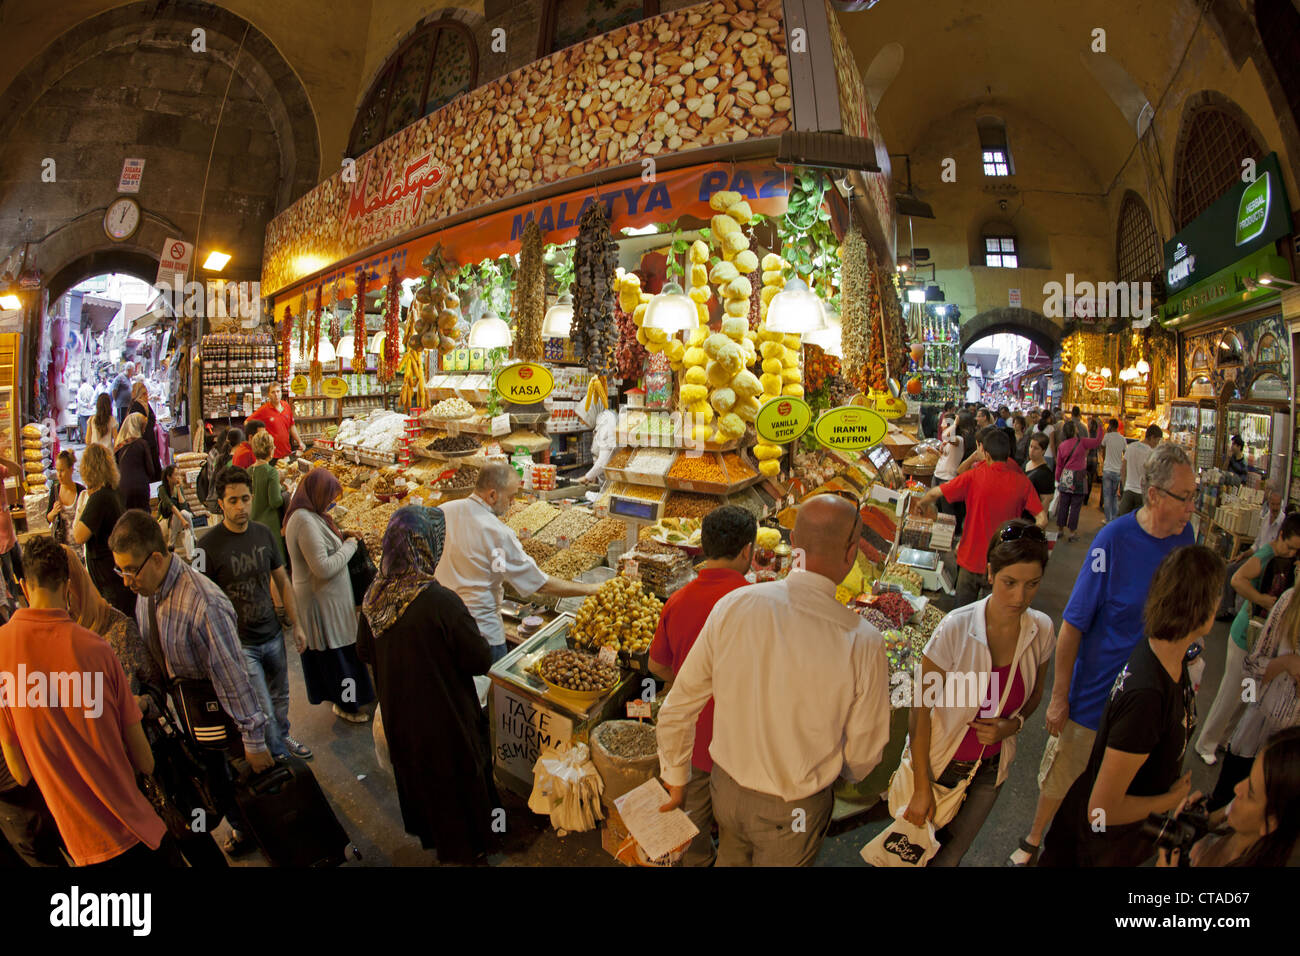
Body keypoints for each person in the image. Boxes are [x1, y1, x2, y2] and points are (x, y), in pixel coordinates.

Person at [655, 495, 890, 866]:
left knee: (731, 856)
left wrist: (675, 776)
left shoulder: (736, 605)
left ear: (793, 543)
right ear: (851, 554)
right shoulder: (864, 642)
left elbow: (679, 704)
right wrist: (837, 774)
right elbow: (865, 752)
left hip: (726, 794)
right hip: (792, 811)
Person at [1010, 441, 1197, 865]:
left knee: (1124, 784)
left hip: (1149, 700)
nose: (1191, 507)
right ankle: (1036, 837)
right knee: (1068, 773)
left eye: (1194, 496)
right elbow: (1074, 623)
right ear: (1154, 495)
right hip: (1096, 693)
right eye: (1185, 497)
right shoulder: (1113, 540)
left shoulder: (1185, 538)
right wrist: (1060, 695)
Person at [0, 535, 180, 867]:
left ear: (24, 586)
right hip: (134, 829)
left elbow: (20, 773)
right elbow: (145, 761)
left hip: (81, 844)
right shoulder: (97, 650)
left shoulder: (2, 650)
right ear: (68, 586)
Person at [1040, 545, 1223, 867]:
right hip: (1094, 851)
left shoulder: (1168, 657)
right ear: (1200, 604)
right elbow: (1102, 809)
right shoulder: (1148, 696)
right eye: (1217, 594)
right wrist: (1170, 799)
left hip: (1116, 842)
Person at [108, 509, 274, 857]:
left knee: (246, 789)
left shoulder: (203, 603)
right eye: (119, 570)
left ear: (155, 558)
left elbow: (233, 677)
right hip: (192, 722)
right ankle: (244, 828)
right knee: (218, 787)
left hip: (224, 725)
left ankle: (267, 837)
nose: (125, 580)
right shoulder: (145, 592)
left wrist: (254, 740)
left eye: (129, 570)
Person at [902, 520, 1056, 866]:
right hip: (940, 765)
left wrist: (1012, 726)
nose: (1020, 597)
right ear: (990, 573)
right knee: (912, 853)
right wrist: (921, 784)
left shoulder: (1042, 630)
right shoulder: (955, 627)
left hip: (989, 772)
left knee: (951, 855)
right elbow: (920, 708)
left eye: (1032, 585)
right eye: (1009, 583)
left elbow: (1034, 696)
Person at [355, 506, 499, 865]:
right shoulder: (439, 601)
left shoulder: (375, 595)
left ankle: (440, 844)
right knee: (455, 788)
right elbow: (480, 659)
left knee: (423, 786)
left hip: (400, 717)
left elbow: (364, 651)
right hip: (445, 719)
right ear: (426, 546)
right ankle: (468, 852)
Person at [648, 505, 755, 867]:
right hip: (738, 746)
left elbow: (656, 664)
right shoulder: (758, 603)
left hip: (689, 743)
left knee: (689, 827)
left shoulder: (677, 601)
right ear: (747, 551)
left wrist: (687, 681)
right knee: (737, 834)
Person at [435, 463, 599, 662]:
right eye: (511, 496)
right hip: (481, 634)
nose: (513, 503)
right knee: (487, 689)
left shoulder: (443, 511)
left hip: (441, 627)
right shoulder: (498, 533)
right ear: (493, 495)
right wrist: (591, 589)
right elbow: (541, 585)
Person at [201, 466, 310, 760]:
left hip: (272, 633)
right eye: (233, 500)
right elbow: (200, 600)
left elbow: (282, 581)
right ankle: (279, 761)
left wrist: (296, 625)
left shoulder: (264, 534)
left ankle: (283, 738)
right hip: (241, 643)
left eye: (245, 499)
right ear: (221, 503)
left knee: (280, 698)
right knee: (262, 706)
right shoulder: (207, 546)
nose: (241, 507)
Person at [1196, 514, 1300, 766]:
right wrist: (1262, 599)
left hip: (1260, 643)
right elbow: (1235, 580)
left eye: (1297, 549)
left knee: (1246, 696)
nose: (1292, 552)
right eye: (1290, 546)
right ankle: (1206, 742)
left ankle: (1225, 737)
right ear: (1280, 536)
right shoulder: (1265, 556)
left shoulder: (1285, 560)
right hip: (1245, 637)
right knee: (1230, 694)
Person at [916, 428, 1047, 608]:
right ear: (1008, 452)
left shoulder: (974, 476)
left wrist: (921, 504)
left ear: (985, 452)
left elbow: (936, 493)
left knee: (962, 613)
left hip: (970, 560)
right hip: (1002, 564)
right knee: (993, 614)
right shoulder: (1022, 482)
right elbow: (1042, 519)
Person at [284, 467, 375, 724]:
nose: (331, 504)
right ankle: (346, 705)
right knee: (338, 658)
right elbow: (322, 568)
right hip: (321, 603)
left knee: (342, 653)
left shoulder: (313, 515)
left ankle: (349, 702)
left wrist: (342, 535)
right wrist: (349, 545)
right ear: (317, 493)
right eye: (329, 498)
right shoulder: (303, 520)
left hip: (331, 601)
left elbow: (321, 544)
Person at [1207, 582, 1300, 810]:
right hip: (1254, 737)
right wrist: (1286, 663)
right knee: (1222, 807)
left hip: (1289, 760)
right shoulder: (1291, 601)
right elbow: (1251, 667)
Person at [1160, 727, 1300, 866]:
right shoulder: (1238, 825)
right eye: (1249, 777)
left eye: (1251, 793)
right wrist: (1198, 820)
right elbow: (1219, 816)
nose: (1237, 788)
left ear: (1270, 823)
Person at [72, 443, 134, 618]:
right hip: (115, 572)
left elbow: (79, 536)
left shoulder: (98, 499)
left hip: (107, 578)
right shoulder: (113, 493)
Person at [1053, 420, 1103, 542]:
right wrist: (1100, 428)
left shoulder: (1062, 445)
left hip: (1066, 475)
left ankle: (1060, 529)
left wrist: (1058, 478)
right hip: (1080, 475)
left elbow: (1059, 465)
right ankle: (1072, 532)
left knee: (1064, 504)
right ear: (1075, 430)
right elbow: (1097, 441)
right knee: (1075, 506)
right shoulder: (1083, 442)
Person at [114, 412, 160, 512]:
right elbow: (151, 470)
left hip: (124, 488)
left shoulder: (119, 447)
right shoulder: (142, 444)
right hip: (141, 487)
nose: (144, 430)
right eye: (142, 427)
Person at [250, 382, 304, 461]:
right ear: (268, 394)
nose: (276, 394)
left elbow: (292, 426)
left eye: (278, 391)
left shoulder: (286, 406)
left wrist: (300, 442)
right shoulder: (264, 409)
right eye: (273, 392)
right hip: (271, 455)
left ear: (281, 392)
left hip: (286, 453)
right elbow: (247, 422)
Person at [1117, 424, 1160, 516]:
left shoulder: (1131, 447)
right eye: (1157, 440)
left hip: (1128, 491)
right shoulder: (1152, 453)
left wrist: (1125, 485)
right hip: (1142, 494)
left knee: (1124, 521)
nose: (1157, 443)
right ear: (1152, 437)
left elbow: (1123, 468)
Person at [45, 450, 84, 546]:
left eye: (62, 470)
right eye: (57, 470)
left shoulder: (81, 491)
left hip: (81, 545)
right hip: (62, 546)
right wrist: (54, 512)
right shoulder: (55, 491)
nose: (59, 475)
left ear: (71, 469)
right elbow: (48, 518)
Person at [156, 465, 193, 554]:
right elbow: (171, 506)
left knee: (184, 512)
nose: (178, 477)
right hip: (166, 517)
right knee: (178, 514)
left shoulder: (178, 487)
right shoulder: (162, 489)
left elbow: (183, 506)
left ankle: (192, 537)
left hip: (178, 517)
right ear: (168, 477)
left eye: (178, 474)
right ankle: (172, 543)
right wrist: (183, 520)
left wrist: (179, 489)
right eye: (176, 475)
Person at [1099, 418, 1126, 524]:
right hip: (1117, 471)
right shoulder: (1122, 439)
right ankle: (1114, 518)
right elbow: (1125, 453)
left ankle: (1107, 519)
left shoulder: (1107, 437)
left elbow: (1102, 446)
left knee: (1107, 496)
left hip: (1107, 470)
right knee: (1114, 496)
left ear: (1110, 426)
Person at [1022, 432, 1054, 516]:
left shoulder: (1046, 473)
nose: (1031, 451)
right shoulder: (1026, 463)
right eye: (1031, 446)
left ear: (1043, 451)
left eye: (1036, 448)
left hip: (1032, 517)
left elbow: (1046, 501)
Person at [76, 377, 96, 442]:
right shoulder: (91, 388)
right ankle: (92, 440)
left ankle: (87, 441)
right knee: (91, 427)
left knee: (85, 429)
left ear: (81, 382)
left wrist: (85, 405)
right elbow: (94, 397)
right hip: (91, 411)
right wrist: (90, 404)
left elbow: (79, 400)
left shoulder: (80, 389)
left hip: (83, 411)